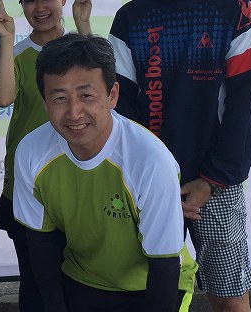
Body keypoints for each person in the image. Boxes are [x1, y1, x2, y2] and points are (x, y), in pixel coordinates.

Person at [109, 0, 251, 312]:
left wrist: (210, 181)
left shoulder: (234, 10)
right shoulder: (129, 18)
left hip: (215, 183)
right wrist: (150, 178)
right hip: (148, 182)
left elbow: (239, 107)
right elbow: (123, 110)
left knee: (229, 299)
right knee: (148, 293)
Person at [13, 33, 196, 312]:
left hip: (153, 283)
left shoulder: (151, 160)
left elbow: (164, 263)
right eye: (60, 98)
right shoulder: (31, 152)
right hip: (84, 279)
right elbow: (41, 246)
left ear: (112, 95)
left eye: (86, 95)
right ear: (44, 102)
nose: (74, 113)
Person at [0, 0, 99, 312]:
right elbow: (3, 98)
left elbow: (102, 90)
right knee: (36, 282)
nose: (40, 7)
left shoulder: (82, 46)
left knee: (88, 279)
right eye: (30, 0)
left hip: (82, 180)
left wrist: (83, 27)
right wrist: (6, 40)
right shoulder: (18, 53)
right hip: (30, 183)